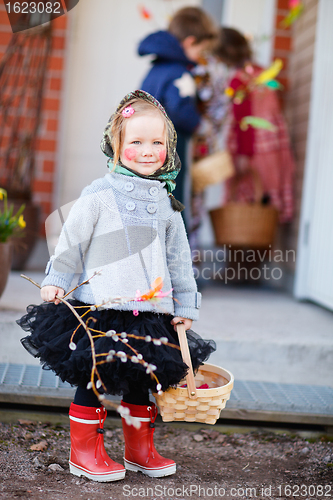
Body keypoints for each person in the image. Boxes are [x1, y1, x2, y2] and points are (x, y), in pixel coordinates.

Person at [17, 90, 215, 482]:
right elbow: (72, 241)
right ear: (116, 145)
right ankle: (84, 451)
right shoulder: (99, 194)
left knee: (143, 380)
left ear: (169, 147)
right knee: (95, 377)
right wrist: (57, 279)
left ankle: (140, 450)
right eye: (136, 142)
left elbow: (178, 258)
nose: (147, 150)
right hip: (103, 308)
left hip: (152, 313)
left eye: (157, 142)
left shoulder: (167, 202)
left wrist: (186, 304)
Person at [138, 7, 217, 215]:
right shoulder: (180, 74)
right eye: (200, 51)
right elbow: (180, 109)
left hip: (145, 144)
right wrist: (200, 125)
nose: (199, 57)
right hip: (170, 146)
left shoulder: (156, 69)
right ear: (190, 42)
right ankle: (174, 244)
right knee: (173, 196)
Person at [215, 28, 295, 223]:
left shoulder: (238, 80)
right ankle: (264, 245)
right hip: (272, 147)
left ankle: (244, 249)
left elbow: (245, 121)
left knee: (247, 204)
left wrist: (243, 154)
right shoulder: (261, 74)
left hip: (252, 149)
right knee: (265, 204)